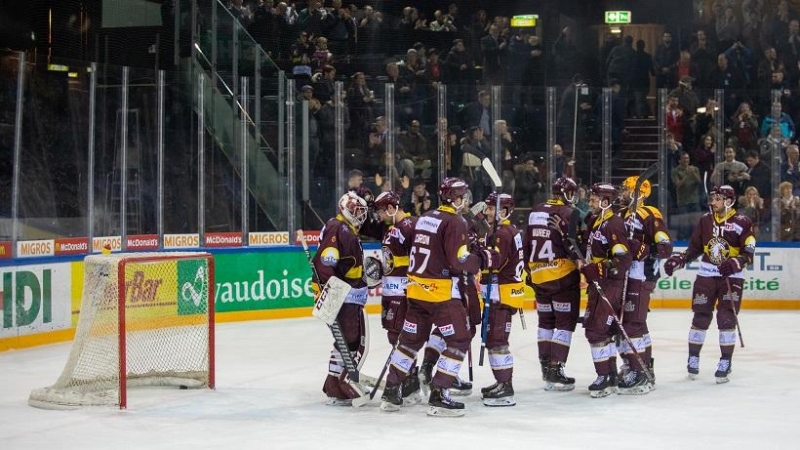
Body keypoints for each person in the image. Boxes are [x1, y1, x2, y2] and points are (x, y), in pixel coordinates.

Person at [381, 178, 486, 417]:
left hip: (415, 291)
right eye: (463, 196)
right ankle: (439, 393)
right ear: (456, 199)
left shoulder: (425, 217)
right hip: (440, 294)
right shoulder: (456, 221)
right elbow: (457, 261)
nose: (465, 200)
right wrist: (480, 258)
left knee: (410, 342)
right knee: (459, 339)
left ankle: (391, 391)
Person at [663, 185, 756, 383]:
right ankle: (693, 357)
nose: (713, 202)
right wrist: (679, 260)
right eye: (712, 198)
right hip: (706, 275)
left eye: (718, 198)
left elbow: (748, 252)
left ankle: (725, 361)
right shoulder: (705, 220)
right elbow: (695, 249)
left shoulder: (742, 222)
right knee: (700, 316)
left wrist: (735, 262)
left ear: (729, 201)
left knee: (726, 318)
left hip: (731, 278)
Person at [616, 176, 674, 394]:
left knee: (633, 324)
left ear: (636, 192)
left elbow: (665, 248)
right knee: (632, 324)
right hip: (625, 276)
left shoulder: (650, 214)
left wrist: (643, 250)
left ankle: (639, 373)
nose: (621, 192)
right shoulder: (622, 214)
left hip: (641, 276)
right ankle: (642, 367)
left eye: (625, 189)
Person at [312, 191, 370, 406]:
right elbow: (326, 263)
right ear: (346, 208)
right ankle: (343, 383)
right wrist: (328, 293)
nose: (360, 215)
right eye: (357, 210)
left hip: (347, 292)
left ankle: (333, 383)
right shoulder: (339, 227)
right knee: (351, 338)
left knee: (344, 339)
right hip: (342, 293)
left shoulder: (345, 227)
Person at [524, 177, 582, 391]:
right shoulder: (569, 213)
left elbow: (527, 242)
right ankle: (556, 368)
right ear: (567, 193)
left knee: (546, 322)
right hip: (562, 277)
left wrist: (528, 270)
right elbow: (575, 248)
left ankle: (546, 368)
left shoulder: (535, 210)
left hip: (539, 276)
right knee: (564, 323)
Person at [580, 183, 633, 398]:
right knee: (600, 329)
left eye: (593, 200)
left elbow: (623, 259)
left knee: (596, 329)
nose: (590, 203)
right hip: (599, 282)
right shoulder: (597, 222)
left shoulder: (614, 224)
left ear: (605, 201)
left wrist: (599, 268)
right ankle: (610, 375)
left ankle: (604, 376)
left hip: (610, 283)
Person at [372, 191, 421, 407]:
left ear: (392, 208)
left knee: (402, 339)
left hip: (404, 293)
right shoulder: (392, 229)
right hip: (391, 293)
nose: (380, 216)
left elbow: (418, 260)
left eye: (382, 211)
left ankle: (405, 383)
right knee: (395, 336)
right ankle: (410, 383)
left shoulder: (409, 227)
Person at [477, 193, 525, 406]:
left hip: (501, 294)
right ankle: (500, 382)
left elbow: (494, 262)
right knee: (493, 339)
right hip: (500, 293)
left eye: (490, 208)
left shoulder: (502, 233)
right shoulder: (503, 231)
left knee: (497, 341)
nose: (487, 212)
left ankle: (506, 387)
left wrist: (475, 253)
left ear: (503, 211)